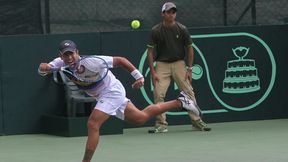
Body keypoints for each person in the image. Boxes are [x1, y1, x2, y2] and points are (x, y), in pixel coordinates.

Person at [38, 40, 203, 162]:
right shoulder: (60, 63)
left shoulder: (92, 62)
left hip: (112, 91)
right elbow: (43, 69)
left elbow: (120, 60)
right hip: (101, 95)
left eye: (71, 53)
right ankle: (180, 102)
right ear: (61, 56)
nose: (69, 57)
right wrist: (43, 68)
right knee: (140, 118)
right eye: (65, 54)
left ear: (77, 52)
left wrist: (138, 76)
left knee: (93, 124)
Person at [146, 2, 211, 133]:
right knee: (158, 93)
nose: (171, 14)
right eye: (168, 12)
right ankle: (161, 124)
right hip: (162, 64)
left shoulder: (182, 29)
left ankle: (196, 121)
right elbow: (150, 51)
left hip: (179, 64)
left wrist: (189, 69)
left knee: (188, 92)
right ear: (162, 14)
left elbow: (190, 48)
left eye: (173, 12)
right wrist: (153, 72)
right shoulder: (156, 31)